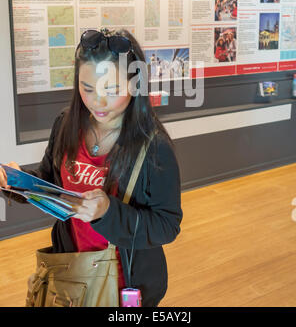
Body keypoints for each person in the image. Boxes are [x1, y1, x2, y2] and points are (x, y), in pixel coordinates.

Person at [0, 28, 183, 307]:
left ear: (135, 85)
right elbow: (50, 180)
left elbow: (166, 226)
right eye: (87, 89)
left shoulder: (154, 147)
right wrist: (16, 182)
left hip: (124, 283)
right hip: (72, 270)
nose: (97, 102)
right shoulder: (66, 123)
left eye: (111, 90)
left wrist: (108, 212)